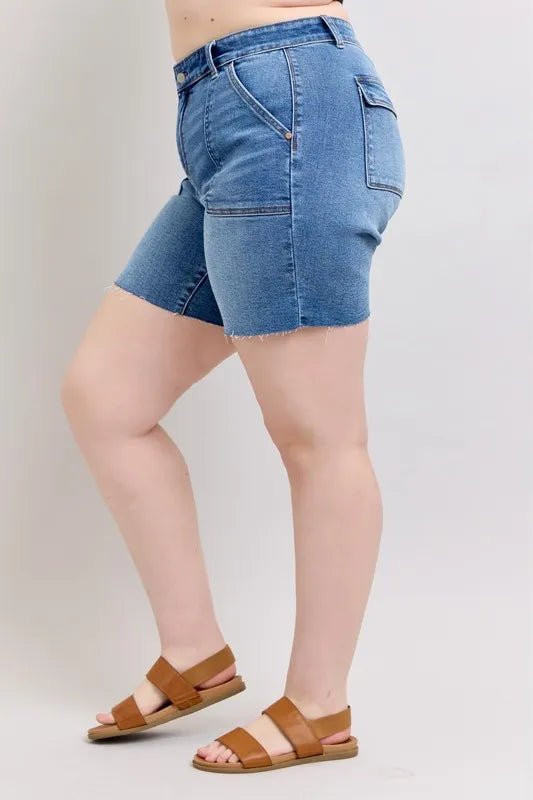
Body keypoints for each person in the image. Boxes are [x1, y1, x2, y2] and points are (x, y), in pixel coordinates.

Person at [61, 0, 405, 774]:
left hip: (290, 98)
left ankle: (319, 706)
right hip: (221, 107)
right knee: (106, 398)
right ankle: (194, 652)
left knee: (318, 438)